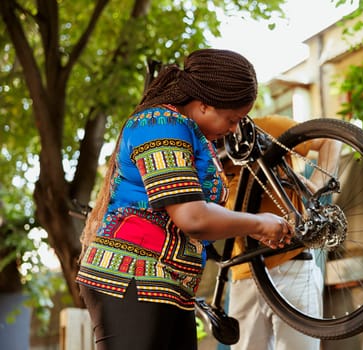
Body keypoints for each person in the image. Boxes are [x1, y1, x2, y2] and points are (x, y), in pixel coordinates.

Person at [75, 49, 293, 350]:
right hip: (131, 278)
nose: (233, 129)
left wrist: (252, 226)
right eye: (232, 119)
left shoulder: (191, 135)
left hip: (170, 282)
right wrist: (257, 223)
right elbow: (193, 217)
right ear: (204, 105)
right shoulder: (159, 125)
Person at [222, 114, 341, 350]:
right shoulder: (201, 153)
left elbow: (330, 138)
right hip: (244, 276)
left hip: (293, 267)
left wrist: (317, 184)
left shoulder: (265, 127)